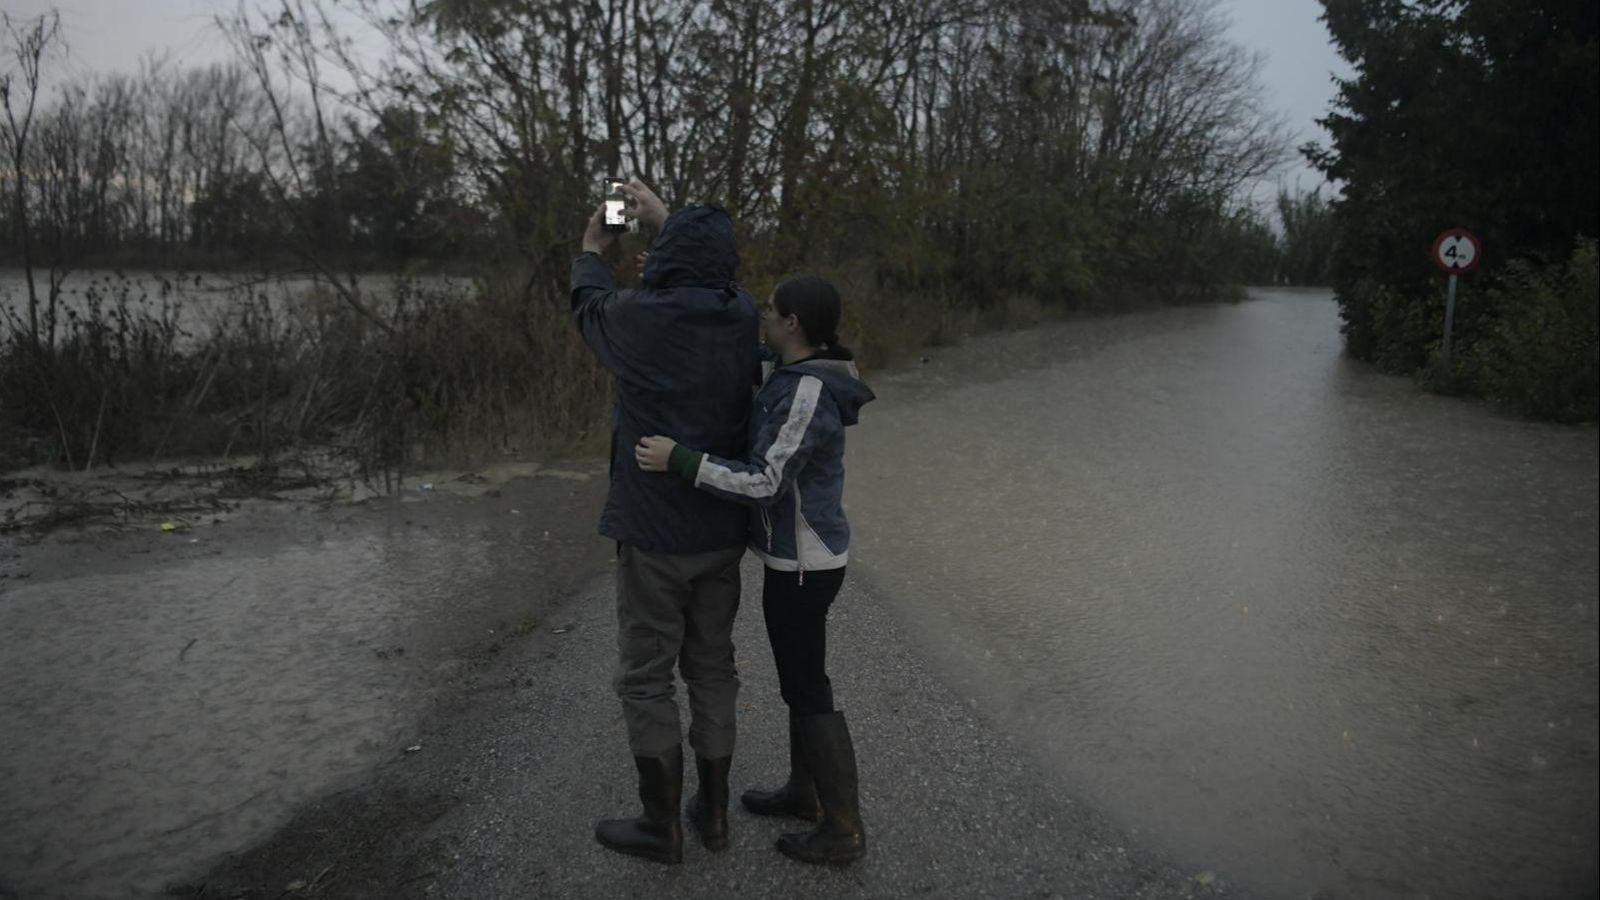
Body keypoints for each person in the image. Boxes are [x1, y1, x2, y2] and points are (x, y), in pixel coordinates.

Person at [635, 274, 874, 865]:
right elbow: (742, 343)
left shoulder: (807, 393)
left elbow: (766, 482)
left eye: (772, 310)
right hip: (797, 561)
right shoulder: (794, 371)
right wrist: (672, 245)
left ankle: (842, 829)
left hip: (805, 565)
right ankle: (804, 792)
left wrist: (681, 460)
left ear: (794, 322)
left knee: (807, 687)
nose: (763, 317)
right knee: (803, 679)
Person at [571, 180, 760, 865]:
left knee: (646, 675)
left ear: (665, 257)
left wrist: (596, 245)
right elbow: (705, 272)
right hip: (721, 530)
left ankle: (662, 826)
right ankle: (712, 815)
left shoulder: (636, 317)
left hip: (653, 534)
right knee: (712, 667)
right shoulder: (741, 314)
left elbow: (587, 305)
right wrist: (667, 220)